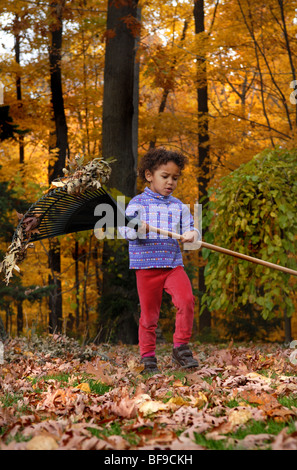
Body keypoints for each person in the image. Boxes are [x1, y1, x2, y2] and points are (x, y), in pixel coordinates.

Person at [119, 147, 201, 374]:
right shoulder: (138, 203)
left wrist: (192, 235)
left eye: (175, 178)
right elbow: (125, 231)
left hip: (173, 265)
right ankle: (147, 358)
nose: (170, 182)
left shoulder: (178, 206)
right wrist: (138, 228)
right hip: (146, 268)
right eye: (165, 177)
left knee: (186, 301)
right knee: (149, 316)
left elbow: (192, 230)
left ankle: (181, 348)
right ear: (149, 175)